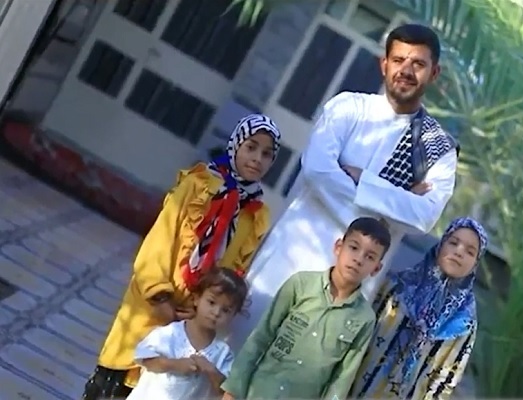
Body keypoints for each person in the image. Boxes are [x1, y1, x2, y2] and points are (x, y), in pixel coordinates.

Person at [228, 23, 459, 352]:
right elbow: (318, 169)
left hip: (350, 286)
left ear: (434, 73)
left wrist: (363, 179)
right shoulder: (348, 107)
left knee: (304, 369)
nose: (406, 71)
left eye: (418, 64)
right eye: (398, 60)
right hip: (291, 256)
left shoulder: (437, 147)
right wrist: (389, 209)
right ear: (384, 64)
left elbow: (424, 217)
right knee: (235, 353)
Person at [81, 113, 281, 399]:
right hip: (152, 306)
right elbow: (160, 242)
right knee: (119, 380)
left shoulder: (254, 215)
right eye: (251, 147)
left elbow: (232, 273)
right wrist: (161, 298)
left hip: (191, 324)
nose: (257, 159)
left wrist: (201, 309)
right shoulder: (197, 185)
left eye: (267, 154)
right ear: (236, 144)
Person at [221, 217, 391, 400]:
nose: (358, 259)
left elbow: (342, 378)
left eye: (369, 257)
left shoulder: (364, 318)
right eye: (354, 248)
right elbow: (261, 336)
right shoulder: (300, 285)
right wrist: (232, 391)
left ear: (376, 269)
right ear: (338, 247)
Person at [351, 217, 488, 399]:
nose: (459, 252)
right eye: (453, 243)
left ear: (475, 264)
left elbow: (445, 381)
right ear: (441, 244)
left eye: (470, 252)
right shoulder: (396, 287)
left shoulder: (463, 323)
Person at [126, 267, 248, 400]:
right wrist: (175, 364)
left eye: (226, 310)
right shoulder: (171, 333)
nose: (216, 312)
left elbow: (225, 390)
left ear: (233, 315)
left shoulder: (223, 354)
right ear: (197, 299)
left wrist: (211, 370)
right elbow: (147, 360)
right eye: (211, 302)